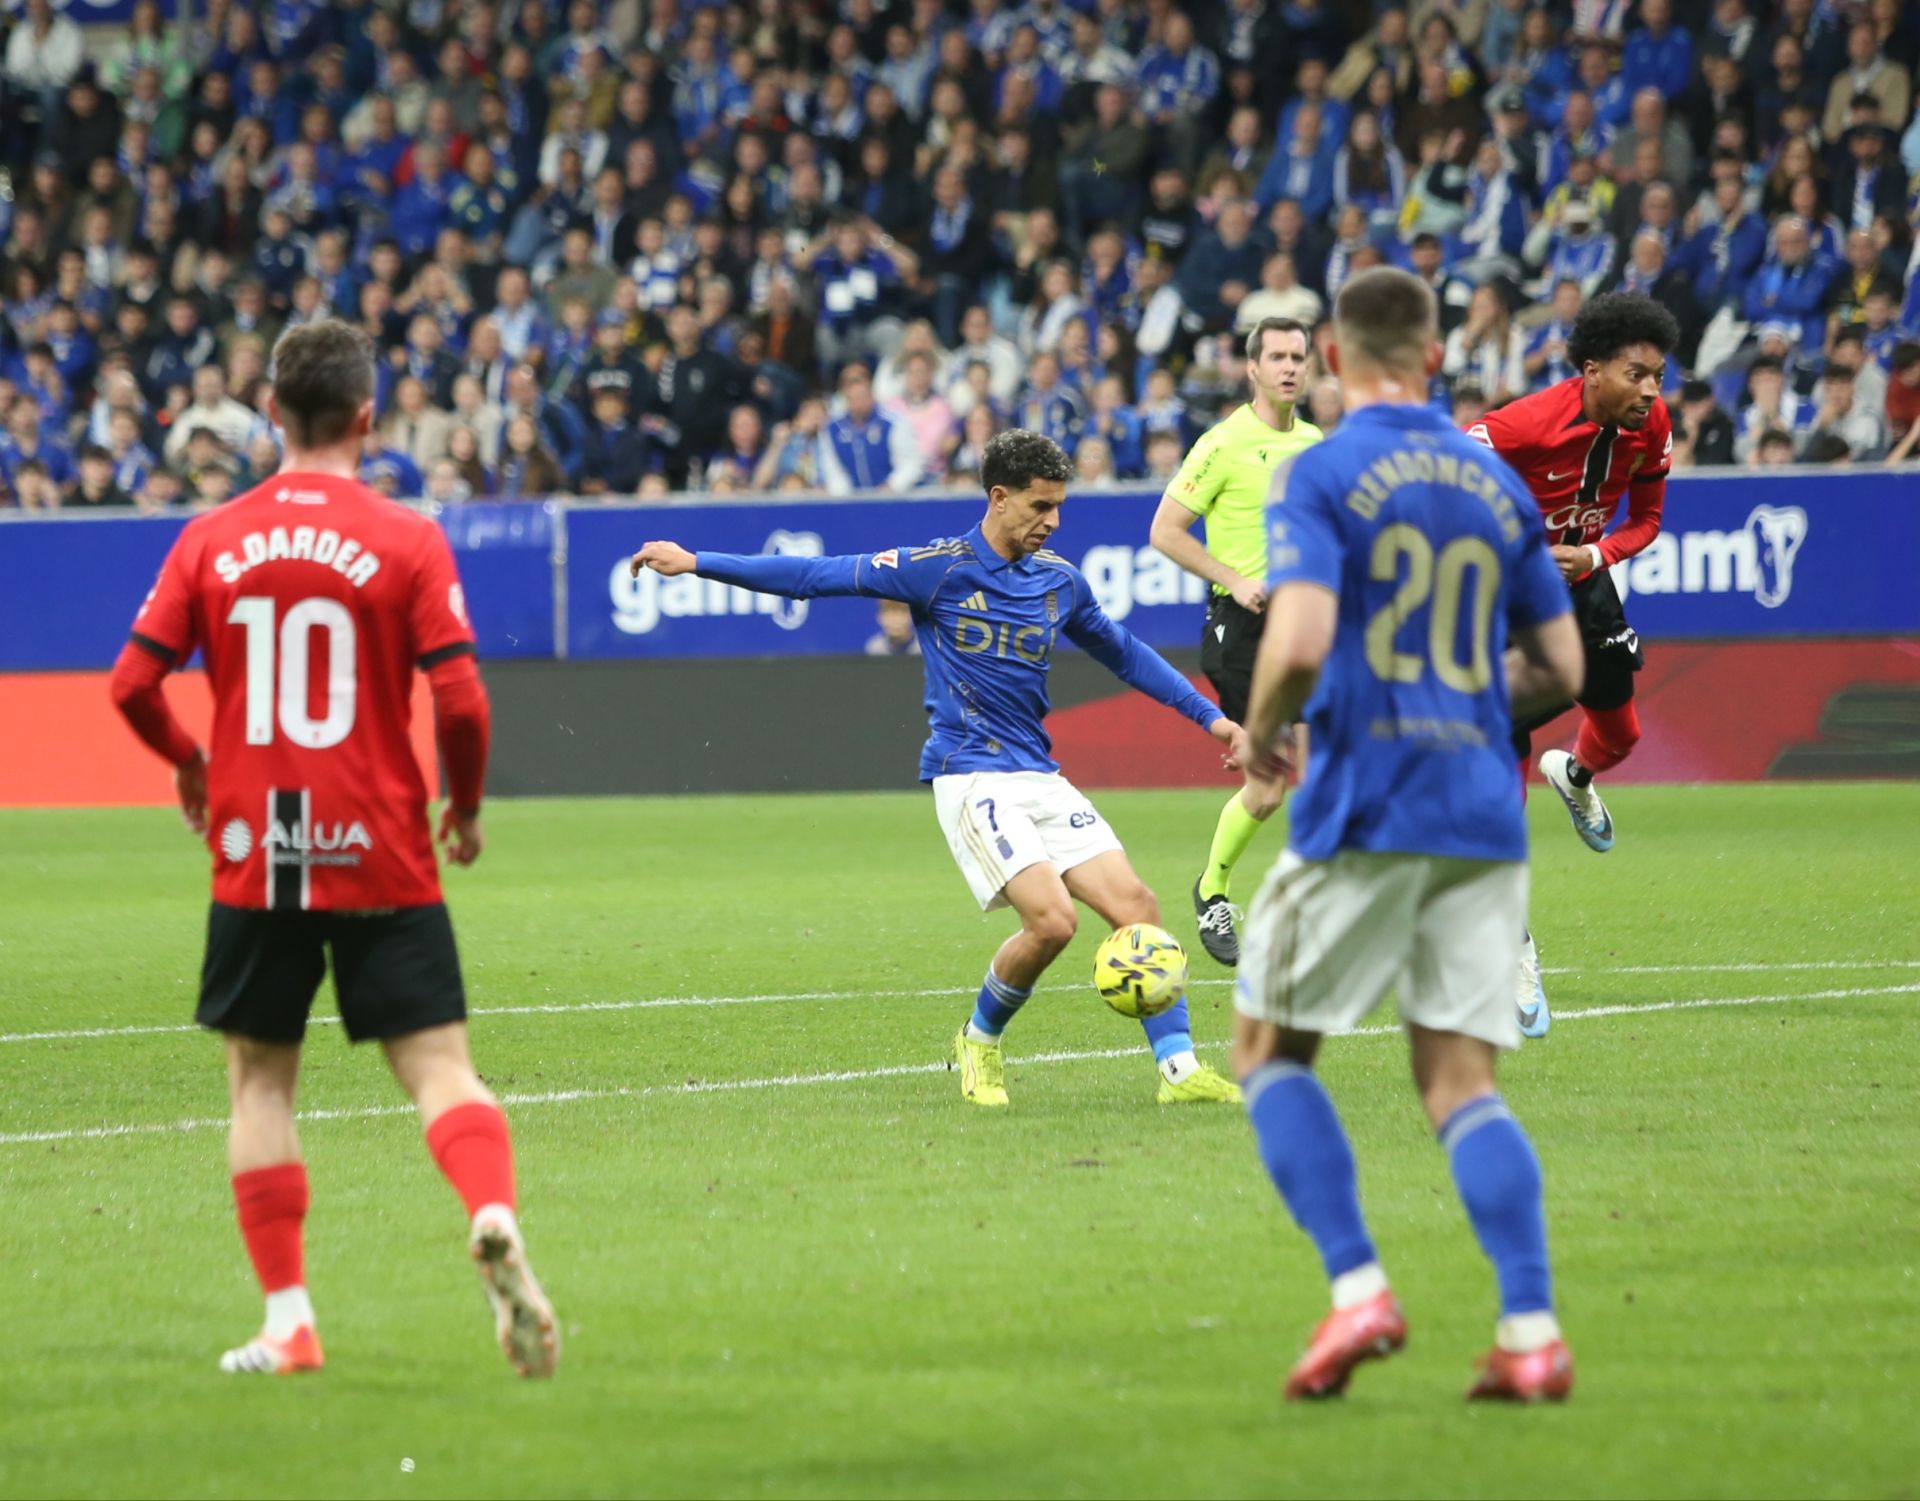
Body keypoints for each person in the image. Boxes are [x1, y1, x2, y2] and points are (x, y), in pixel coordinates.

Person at [105, 320, 557, 1380]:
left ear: (270, 413)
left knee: (260, 1089)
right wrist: (469, 806)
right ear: (367, 417)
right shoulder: (406, 537)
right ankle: (490, 1211)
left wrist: (189, 763)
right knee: (441, 1070)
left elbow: (129, 685)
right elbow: (462, 699)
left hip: (256, 849)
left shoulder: (212, 536)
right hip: (383, 849)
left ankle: (290, 1319)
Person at [629, 430, 1249, 1108]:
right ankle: (978, 1042)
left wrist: (1212, 718)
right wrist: (696, 562)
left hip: (1038, 774)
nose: (1054, 521)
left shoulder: (1060, 583)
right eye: (1042, 506)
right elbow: (813, 576)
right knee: (1053, 922)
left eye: (1060, 507)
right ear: (999, 497)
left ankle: (1181, 1071)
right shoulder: (937, 568)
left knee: (1138, 908)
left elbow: (1127, 654)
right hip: (971, 774)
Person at [1231, 265, 1585, 1403]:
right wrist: (1464, 700)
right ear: (1435, 357)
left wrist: (1262, 734)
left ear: (1333, 360)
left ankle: (1357, 1291)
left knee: (1268, 1052)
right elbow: (1563, 669)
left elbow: (1296, 641)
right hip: (1482, 808)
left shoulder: (1323, 469)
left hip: (1366, 802)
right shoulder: (1495, 483)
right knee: (1458, 1079)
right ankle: (1531, 1331)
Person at [1465, 290, 1680, 1038]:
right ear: (1592, 369)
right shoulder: (1521, 423)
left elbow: (1647, 519)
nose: (1652, 390)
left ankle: (1577, 773)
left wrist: (1594, 553)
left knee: (1620, 735)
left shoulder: (1651, 424)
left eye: (1658, 375)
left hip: (1585, 590)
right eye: (1637, 374)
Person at [1148, 317, 1323, 966]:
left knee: (1321, 773)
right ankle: (1212, 889)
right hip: (1242, 627)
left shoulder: (1312, 440)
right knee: (1272, 784)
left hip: (1302, 621)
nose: (1288, 367)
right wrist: (1236, 579)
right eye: (1276, 356)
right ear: (1251, 368)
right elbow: (1165, 530)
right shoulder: (1222, 443)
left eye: (1298, 357)